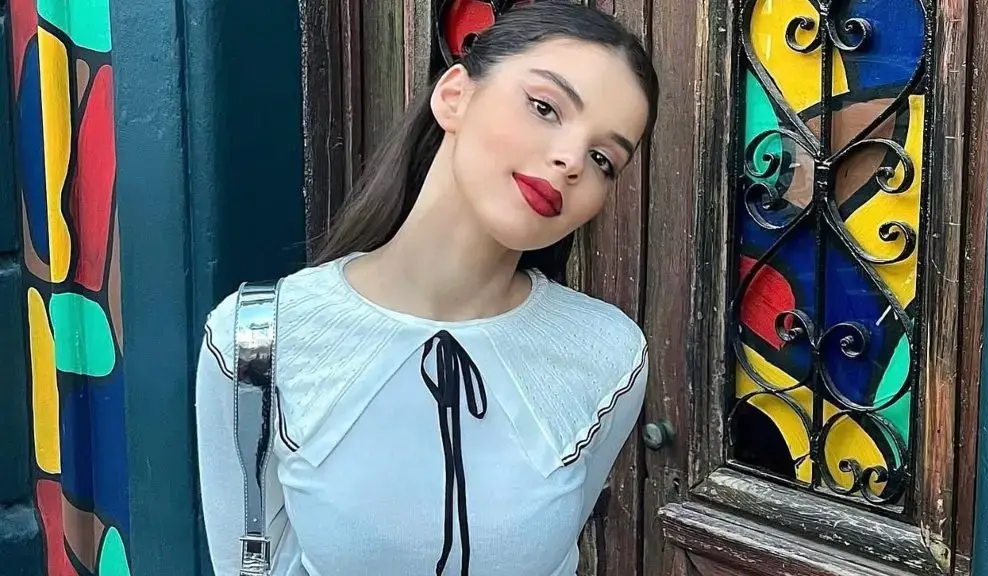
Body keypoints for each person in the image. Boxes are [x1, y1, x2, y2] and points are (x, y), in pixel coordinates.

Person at [195, 1, 659, 574]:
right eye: (545, 107)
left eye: (603, 158)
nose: (570, 161)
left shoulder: (608, 353)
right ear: (455, 94)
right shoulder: (257, 338)